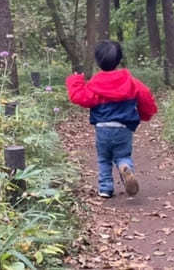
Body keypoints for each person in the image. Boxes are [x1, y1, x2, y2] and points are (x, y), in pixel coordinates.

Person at [66, 40, 158, 198]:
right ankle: (125, 168)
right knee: (123, 155)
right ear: (119, 59)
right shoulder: (132, 83)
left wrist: (76, 81)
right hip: (123, 129)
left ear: (97, 61)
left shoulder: (95, 84)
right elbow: (146, 98)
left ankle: (105, 188)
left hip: (102, 128)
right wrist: (145, 115)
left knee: (104, 158)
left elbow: (80, 97)